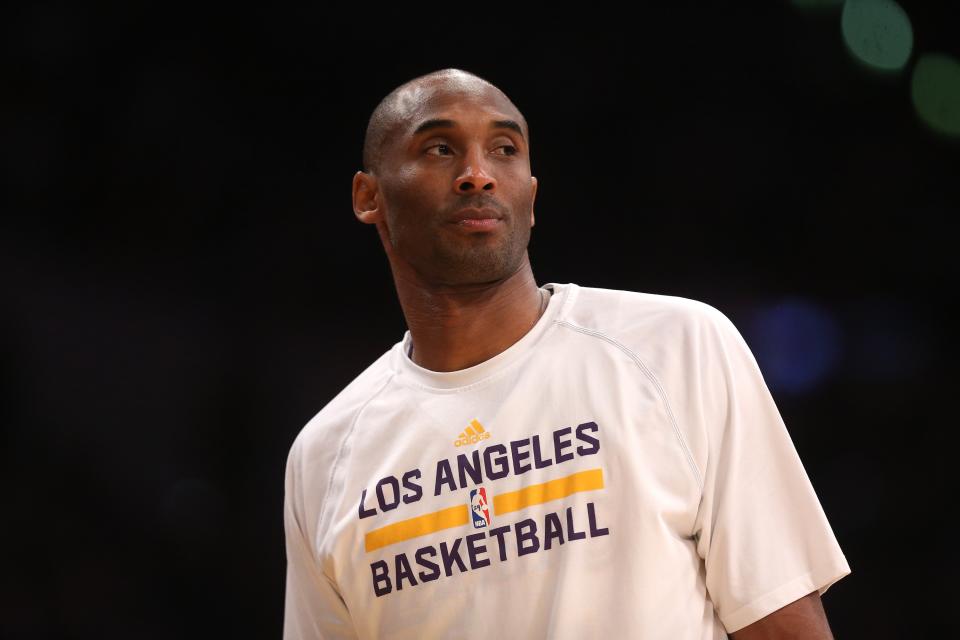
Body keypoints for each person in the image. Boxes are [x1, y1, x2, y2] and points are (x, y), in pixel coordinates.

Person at [282, 67, 851, 639]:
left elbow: (785, 628)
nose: (477, 175)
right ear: (369, 196)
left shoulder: (678, 346)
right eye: (439, 148)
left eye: (504, 149)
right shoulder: (325, 455)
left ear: (530, 196)